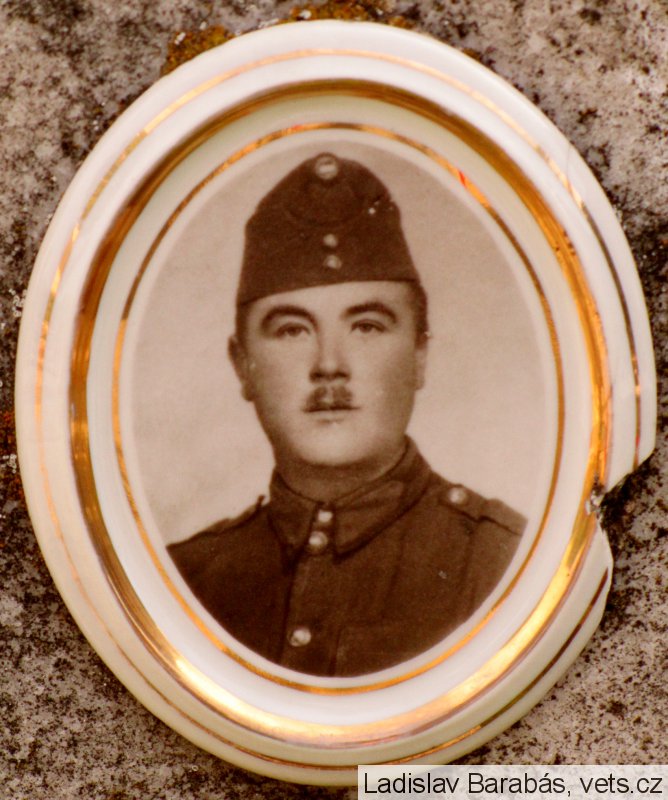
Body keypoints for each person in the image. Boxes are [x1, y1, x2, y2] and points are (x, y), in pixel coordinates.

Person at [168, 152, 525, 677]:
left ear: (420, 356)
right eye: (292, 330)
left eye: (367, 326)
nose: (329, 366)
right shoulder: (183, 580)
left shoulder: (502, 563)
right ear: (242, 365)